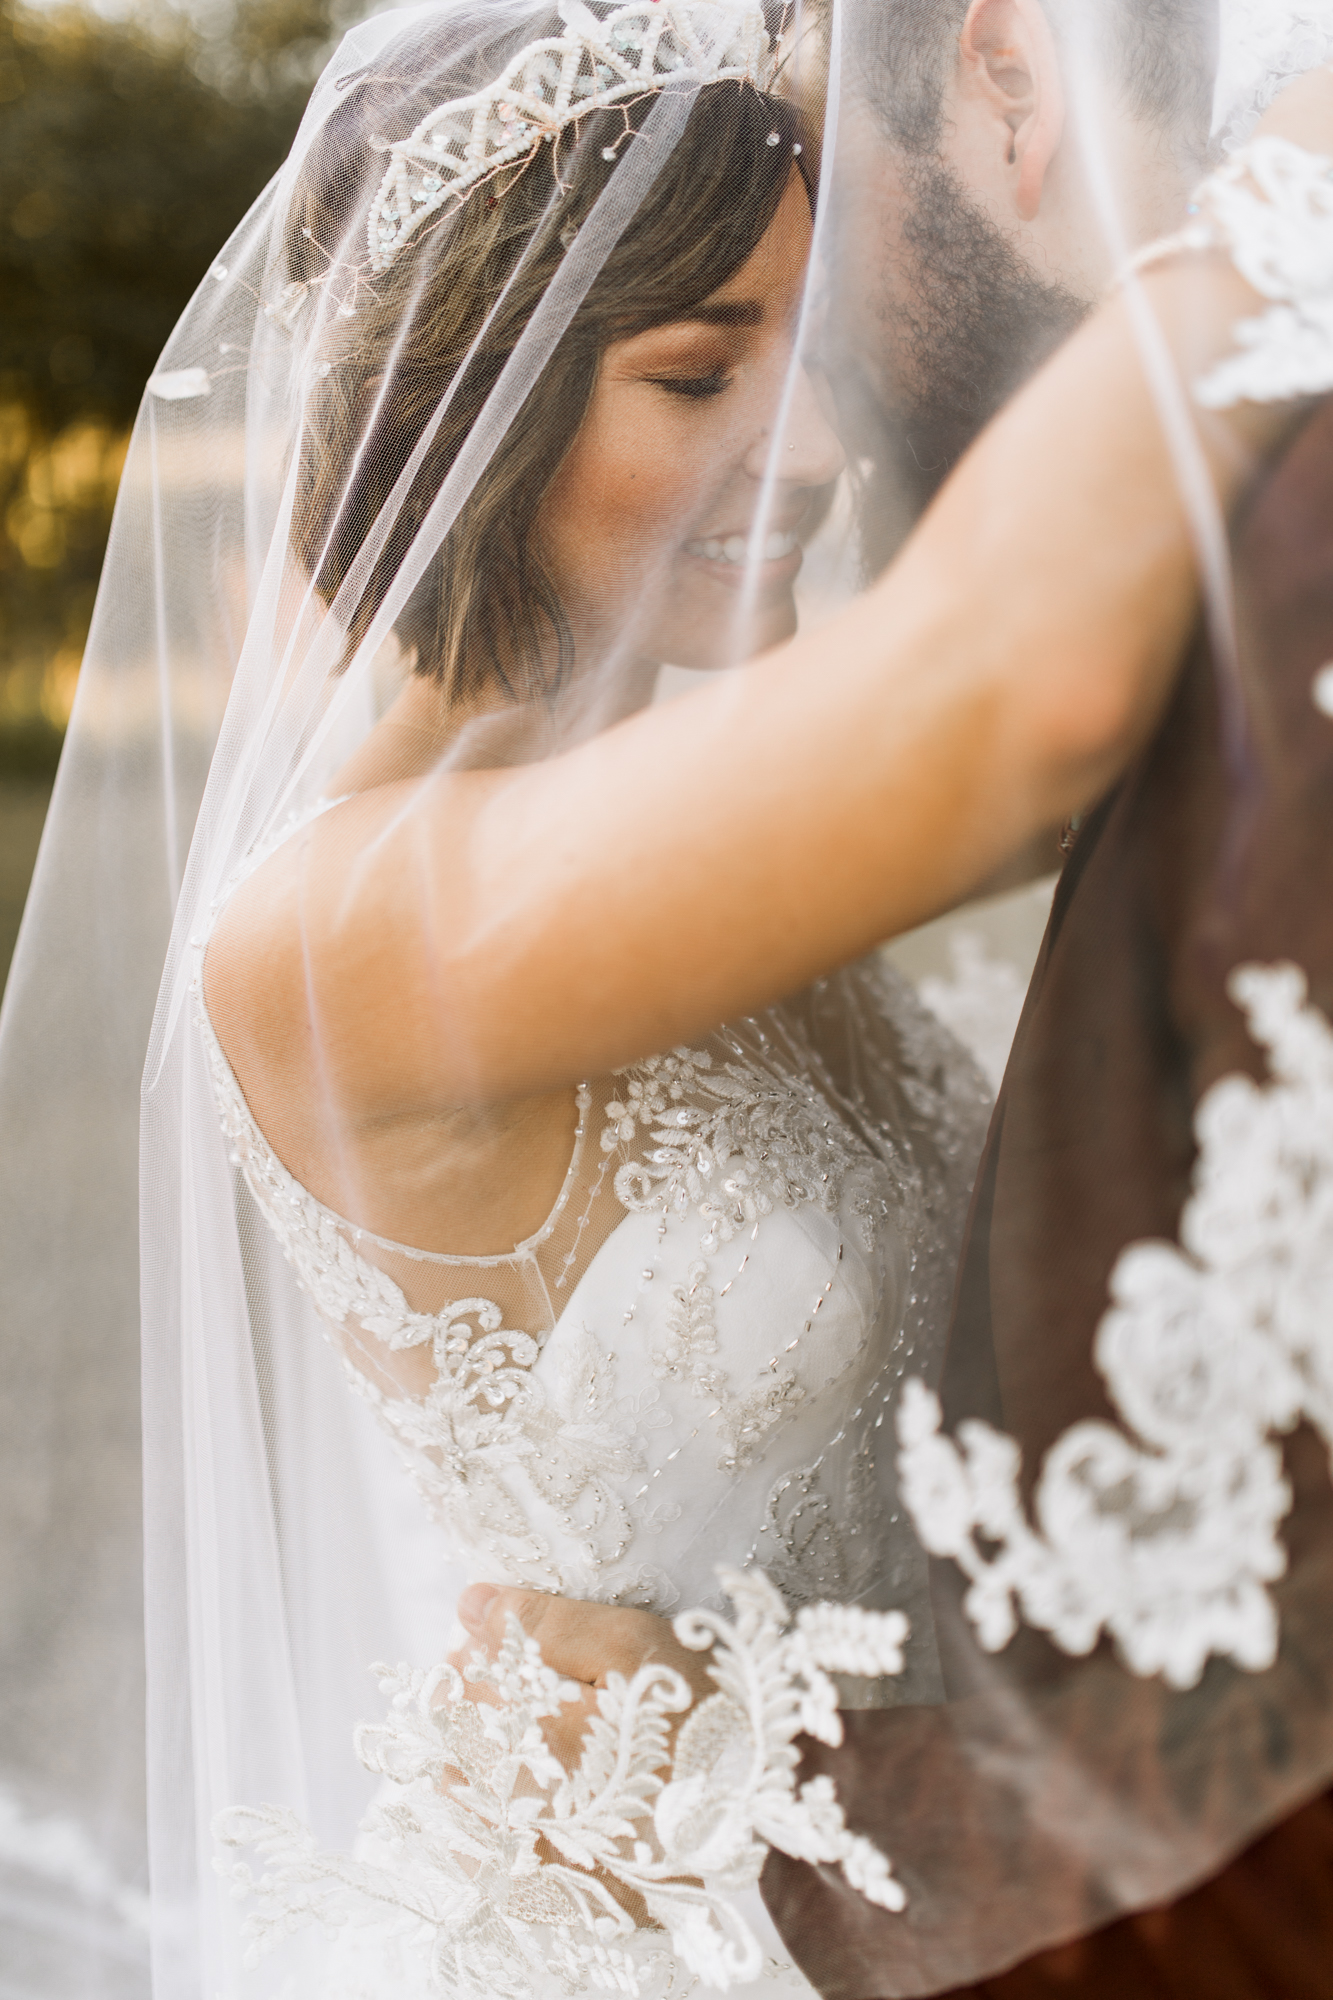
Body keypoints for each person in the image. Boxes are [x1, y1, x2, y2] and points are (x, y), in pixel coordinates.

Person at [0, 4, 1327, 1999]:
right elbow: (1016, 681)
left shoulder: (679, 814)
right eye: (697, 368)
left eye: (805, 349)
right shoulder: (336, 932)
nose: (799, 440)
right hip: (646, 1918)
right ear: (472, 404)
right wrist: (1288, 172)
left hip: (910, 1871)